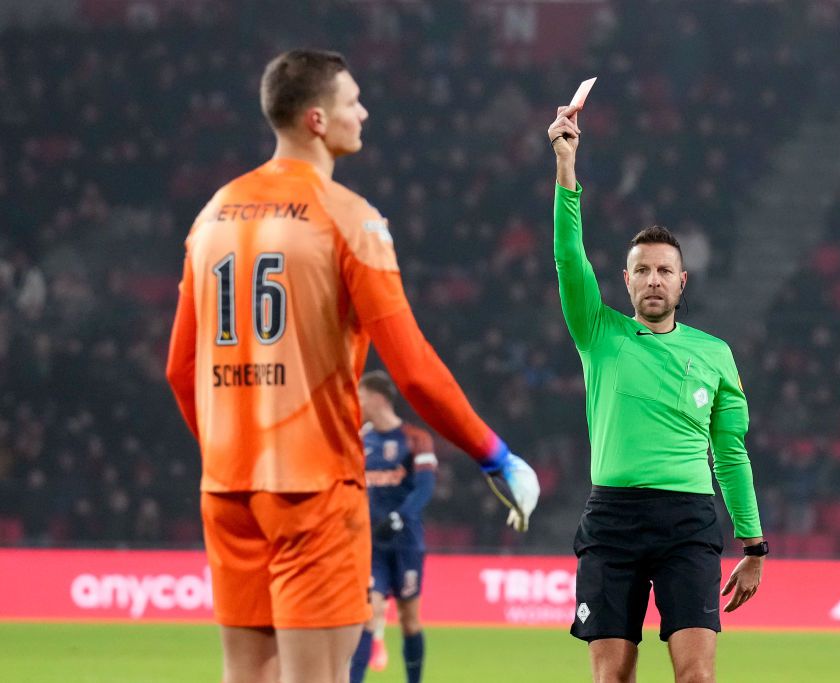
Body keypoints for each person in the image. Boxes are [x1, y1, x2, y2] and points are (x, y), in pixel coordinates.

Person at [166, 49, 539, 683]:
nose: (363, 112)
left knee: (245, 675)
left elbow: (181, 369)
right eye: (351, 101)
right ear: (316, 119)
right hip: (313, 491)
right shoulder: (350, 218)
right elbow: (413, 369)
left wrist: (232, 455)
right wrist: (494, 454)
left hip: (228, 489)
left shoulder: (213, 214)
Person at [548, 104, 766, 683]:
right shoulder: (599, 333)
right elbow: (569, 257)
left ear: (682, 282)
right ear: (625, 280)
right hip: (612, 519)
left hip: (687, 522)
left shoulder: (716, 353)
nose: (652, 279)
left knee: (695, 677)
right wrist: (567, 166)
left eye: (664, 271)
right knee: (611, 677)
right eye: (641, 270)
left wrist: (753, 542)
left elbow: (732, 451)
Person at [350, 371, 436, 683]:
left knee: (409, 620)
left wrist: (399, 517)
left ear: (378, 398)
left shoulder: (416, 438)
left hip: (407, 542)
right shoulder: (360, 440)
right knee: (368, 617)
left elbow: (424, 488)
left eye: (360, 396)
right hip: (371, 544)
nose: (357, 403)